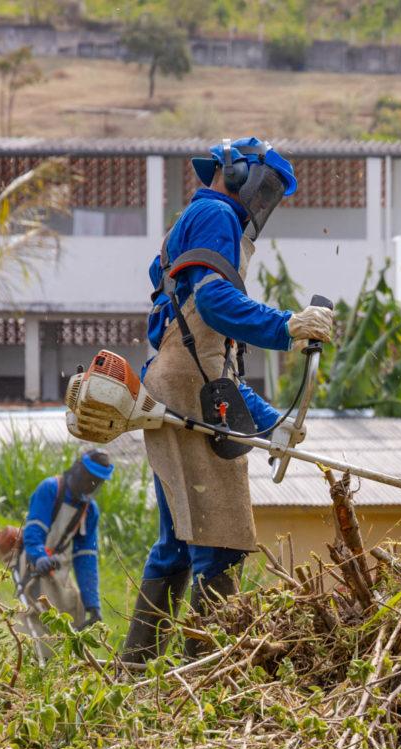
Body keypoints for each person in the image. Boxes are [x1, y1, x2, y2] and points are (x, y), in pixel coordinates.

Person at [120, 137, 333, 663]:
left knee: (177, 543)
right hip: (186, 387)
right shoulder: (217, 212)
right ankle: (211, 676)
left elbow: (218, 372)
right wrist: (286, 325)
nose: (264, 202)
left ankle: (136, 670)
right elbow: (214, 305)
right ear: (234, 174)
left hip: (177, 384)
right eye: (264, 185)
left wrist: (271, 425)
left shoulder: (194, 220)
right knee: (222, 537)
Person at [18, 449, 113, 633]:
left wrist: (93, 604)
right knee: (40, 612)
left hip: (56, 564)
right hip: (32, 558)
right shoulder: (51, 489)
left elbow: (86, 558)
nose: (90, 484)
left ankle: (64, 656)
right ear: (78, 468)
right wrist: (39, 557)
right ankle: (34, 652)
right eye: (89, 477)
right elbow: (34, 530)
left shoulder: (90, 510)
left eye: (96, 481)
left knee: (75, 606)